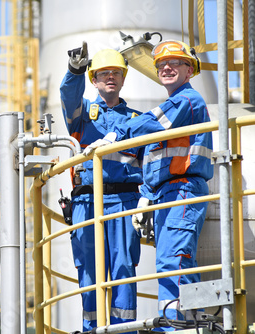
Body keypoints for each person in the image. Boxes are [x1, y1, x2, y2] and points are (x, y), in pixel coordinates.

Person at [86, 40, 214, 322]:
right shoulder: (175, 106)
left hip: (183, 190)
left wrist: (114, 134)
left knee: (174, 259)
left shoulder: (186, 101)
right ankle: (187, 318)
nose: (166, 68)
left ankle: (176, 323)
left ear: (189, 70)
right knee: (176, 259)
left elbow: (148, 123)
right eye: (161, 65)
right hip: (168, 193)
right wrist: (146, 194)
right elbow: (156, 158)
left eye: (175, 63)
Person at [60, 42, 143, 333]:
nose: (110, 77)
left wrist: (146, 200)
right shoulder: (82, 117)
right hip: (86, 203)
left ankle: (125, 330)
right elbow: (69, 97)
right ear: (93, 80)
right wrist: (74, 71)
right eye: (103, 73)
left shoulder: (137, 121)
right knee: (89, 273)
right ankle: (90, 329)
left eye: (116, 73)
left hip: (125, 201)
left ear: (123, 78)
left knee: (122, 270)